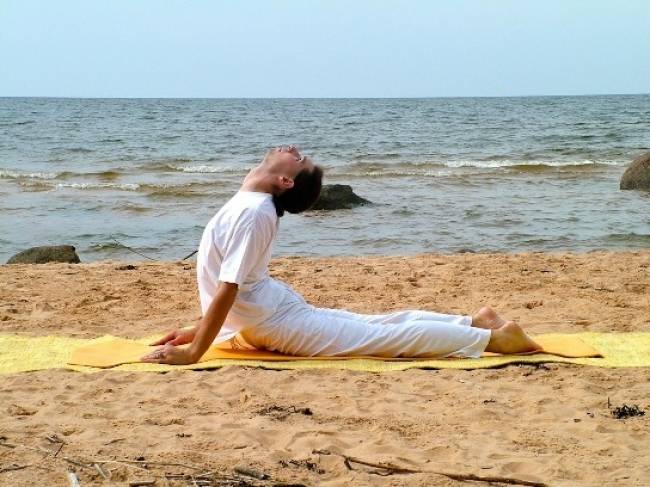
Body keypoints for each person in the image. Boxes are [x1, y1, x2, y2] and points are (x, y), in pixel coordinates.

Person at [142, 145, 540, 365]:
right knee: (376, 325)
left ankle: (492, 337)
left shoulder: (253, 213)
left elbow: (229, 287)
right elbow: (231, 283)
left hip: (274, 322)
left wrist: (195, 350)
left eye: (299, 159)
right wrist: (200, 329)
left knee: (380, 336)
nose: (294, 150)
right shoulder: (251, 205)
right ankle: (474, 322)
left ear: (284, 180)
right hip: (270, 310)